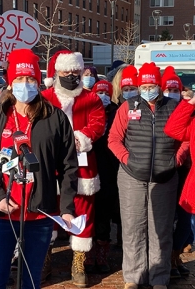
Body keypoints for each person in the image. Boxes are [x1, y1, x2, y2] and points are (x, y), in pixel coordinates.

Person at [0, 48, 78, 289]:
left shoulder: (55, 118)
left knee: (30, 278)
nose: (24, 84)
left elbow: (69, 166)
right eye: (19, 79)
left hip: (39, 214)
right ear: (9, 83)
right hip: (0, 213)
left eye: (30, 79)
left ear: (38, 82)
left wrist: (67, 208)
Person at [108, 62, 179, 289]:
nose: (149, 88)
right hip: (131, 177)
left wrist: (175, 160)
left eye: (152, 84)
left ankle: (159, 278)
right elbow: (113, 139)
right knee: (132, 227)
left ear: (159, 85)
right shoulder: (127, 107)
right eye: (144, 85)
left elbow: (186, 139)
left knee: (161, 230)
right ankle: (133, 277)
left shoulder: (173, 107)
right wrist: (128, 159)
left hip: (164, 177)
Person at [42, 50, 105, 287]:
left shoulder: (92, 99)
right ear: (57, 72)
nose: (71, 75)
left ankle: (78, 262)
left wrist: (80, 137)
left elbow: (98, 124)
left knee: (83, 212)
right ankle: (45, 257)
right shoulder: (45, 98)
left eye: (75, 72)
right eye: (66, 71)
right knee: (48, 210)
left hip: (82, 168)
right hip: (51, 166)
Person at [83, 80, 119, 273]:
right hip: (88, 169)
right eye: (100, 93)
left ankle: (102, 252)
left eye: (106, 93)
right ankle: (87, 252)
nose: (103, 96)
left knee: (104, 214)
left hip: (109, 172)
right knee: (88, 212)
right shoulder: (89, 111)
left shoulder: (117, 112)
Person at [161, 67, 191, 278]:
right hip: (171, 169)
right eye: (169, 89)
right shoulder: (182, 109)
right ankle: (172, 256)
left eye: (175, 89)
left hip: (186, 168)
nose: (172, 92)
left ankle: (176, 253)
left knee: (186, 222)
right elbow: (174, 130)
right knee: (175, 217)